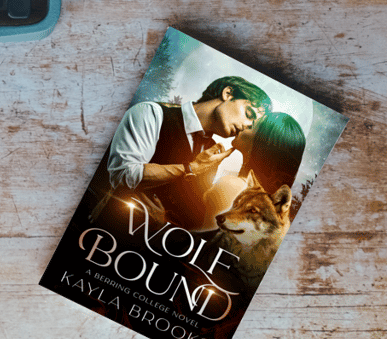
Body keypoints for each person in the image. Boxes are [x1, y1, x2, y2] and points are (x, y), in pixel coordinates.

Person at [101, 76, 272, 230]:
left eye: (251, 126)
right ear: (228, 93)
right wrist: (190, 168)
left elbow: (194, 213)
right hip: (106, 234)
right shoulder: (151, 114)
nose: (245, 126)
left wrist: (166, 224)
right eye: (248, 113)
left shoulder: (212, 151)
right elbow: (122, 175)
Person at [199, 112, 307, 231]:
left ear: (261, 142)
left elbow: (190, 228)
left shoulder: (232, 186)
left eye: (251, 125)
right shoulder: (271, 203)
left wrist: (196, 169)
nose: (243, 124)